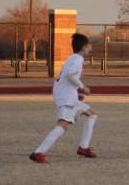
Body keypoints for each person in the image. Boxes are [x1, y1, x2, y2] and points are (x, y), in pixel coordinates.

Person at [29, 33, 98, 163]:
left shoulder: (74, 58)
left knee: (92, 114)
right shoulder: (77, 59)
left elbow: (66, 79)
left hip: (68, 96)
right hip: (66, 98)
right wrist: (83, 87)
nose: (90, 49)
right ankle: (38, 152)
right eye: (89, 46)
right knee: (63, 125)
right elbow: (70, 75)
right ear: (83, 47)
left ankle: (84, 147)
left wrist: (75, 94)